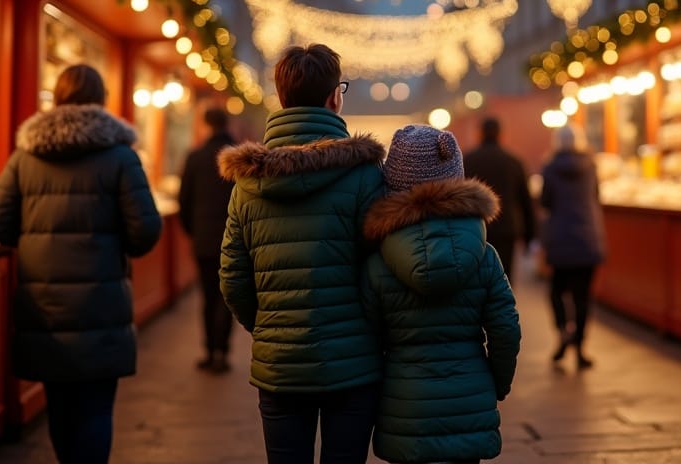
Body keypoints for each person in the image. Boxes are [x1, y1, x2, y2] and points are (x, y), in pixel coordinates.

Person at [0, 64, 162, 463]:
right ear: (101, 100)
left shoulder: (26, 156)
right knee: (96, 407)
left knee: (59, 407)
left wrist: (32, 243)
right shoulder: (120, 156)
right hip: (102, 304)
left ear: (57, 98)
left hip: (45, 309)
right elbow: (145, 230)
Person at [218, 44, 385, 464]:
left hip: (281, 366)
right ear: (335, 97)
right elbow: (381, 267)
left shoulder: (247, 184)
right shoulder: (364, 175)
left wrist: (272, 327)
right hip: (353, 364)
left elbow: (232, 278)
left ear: (281, 98)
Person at [360, 124, 521, 464]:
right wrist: (498, 382)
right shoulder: (485, 255)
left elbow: (368, 339)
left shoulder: (377, 263)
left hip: (405, 401)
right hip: (470, 395)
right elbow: (505, 326)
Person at [539, 123, 606, 370]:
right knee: (583, 297)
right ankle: (580, 348)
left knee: (557, 291)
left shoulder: (550, 168)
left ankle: (563, 331)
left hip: (560, 239)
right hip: (588, 238)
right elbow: (597, 196)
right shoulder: (590, 167)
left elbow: (546, 202)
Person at [178, 105, 237, 374]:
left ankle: (208, 349)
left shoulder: (196, 156)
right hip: (233, 239)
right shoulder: (239, 156)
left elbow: (184, 199)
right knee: (228, 297)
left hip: (203, 239)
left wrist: (193, 231)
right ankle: (222, 353)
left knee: (208, 296)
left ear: (205, 124)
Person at [462, 117, 536, 279]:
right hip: (507, 229)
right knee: (504, 276)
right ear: (500, 135)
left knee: (477, 278)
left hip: (476, 228)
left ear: (480, 134)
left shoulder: (468, 161)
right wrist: (530, 235)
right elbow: (525, 200)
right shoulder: (514, 162)